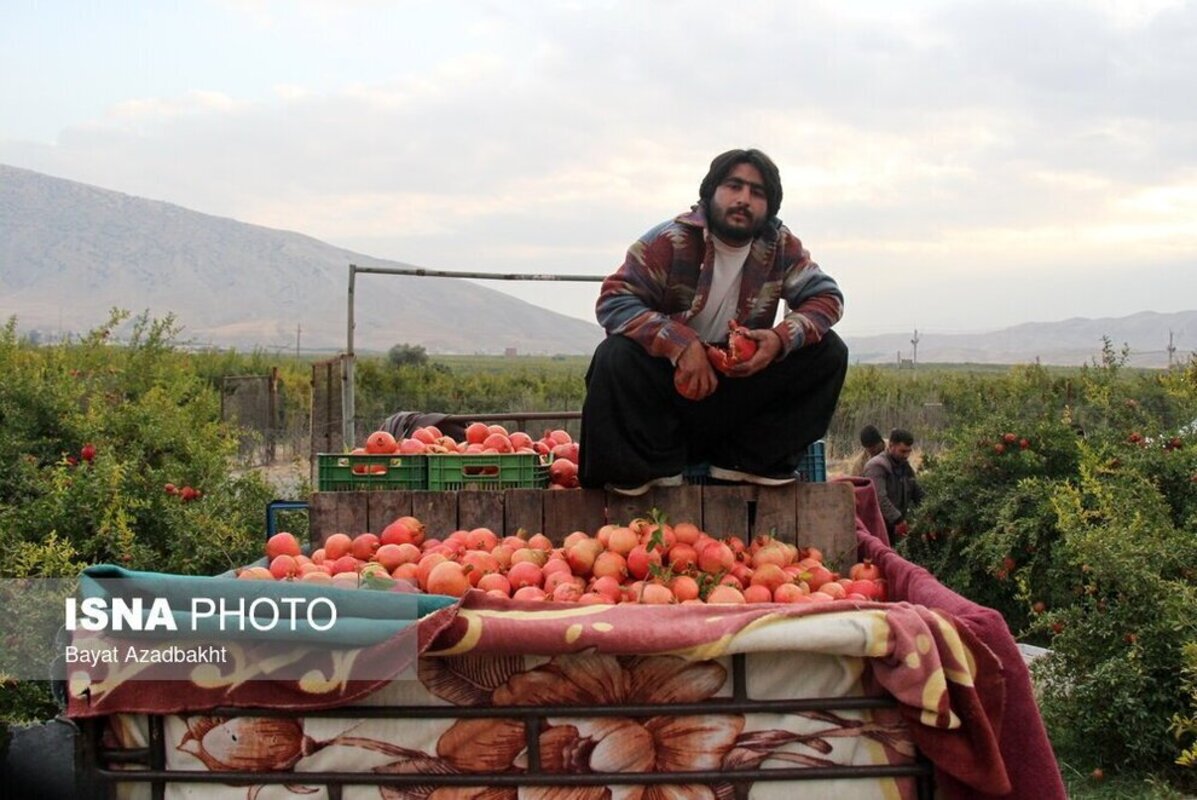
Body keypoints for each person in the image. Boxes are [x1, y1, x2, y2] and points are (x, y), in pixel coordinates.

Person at [579, 148, 848, 495]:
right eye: (733, 186)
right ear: (710, 193)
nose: (743, 199)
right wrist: (680, 344)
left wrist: (779, 339)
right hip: (666, 395)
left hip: (737, 388)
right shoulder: (670, 240)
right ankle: (647, 471)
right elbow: (615, 300)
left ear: (770, 207)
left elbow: (827, 298)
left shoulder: (780, 247)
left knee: (828, 352)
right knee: (615, 355)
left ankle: (746, 463)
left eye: (757, 192)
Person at [862, 428, 924, 538]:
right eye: (902, 451)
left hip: (894, 527)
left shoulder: (904, 466)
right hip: (877, 529)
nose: (906, 455)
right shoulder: (876, 466)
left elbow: (917, 492)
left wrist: (929, 511)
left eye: (908, 451)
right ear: (891, 446)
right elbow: (879, 498)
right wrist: (898, 520)